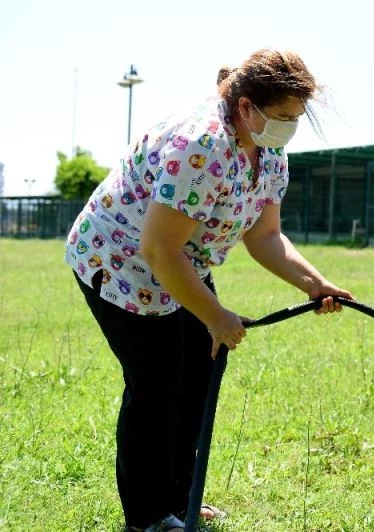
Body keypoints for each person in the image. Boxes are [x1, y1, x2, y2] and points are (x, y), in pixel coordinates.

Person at [65, 48, 353, 532]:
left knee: (196, 380)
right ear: (247, 107)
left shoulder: (268, 150)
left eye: (296, 118)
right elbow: (158, 249)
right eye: (283, 117)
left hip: (183, 262)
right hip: (120, 263)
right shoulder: (200, 144)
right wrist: (216, 316)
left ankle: (182, 499)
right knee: (156, 385)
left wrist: (314, 283)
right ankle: (148, 516)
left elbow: (265, 236)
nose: (290, 128)